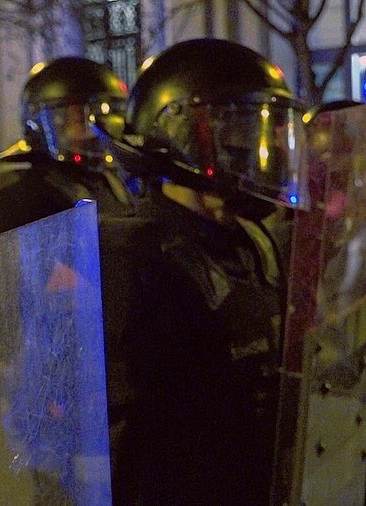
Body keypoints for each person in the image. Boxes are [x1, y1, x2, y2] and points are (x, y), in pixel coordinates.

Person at [101, 39, 309, 503]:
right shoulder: (133, 256)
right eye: (237, 128)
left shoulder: (251, 242)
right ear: (176, 133)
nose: (261, 147)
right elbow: (119, 437)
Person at [0, 57, 133, 242]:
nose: (93, 134)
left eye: (101, 121)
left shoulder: (107, 180)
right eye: (79, 121)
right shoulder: (16, 193)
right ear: (42, 121)